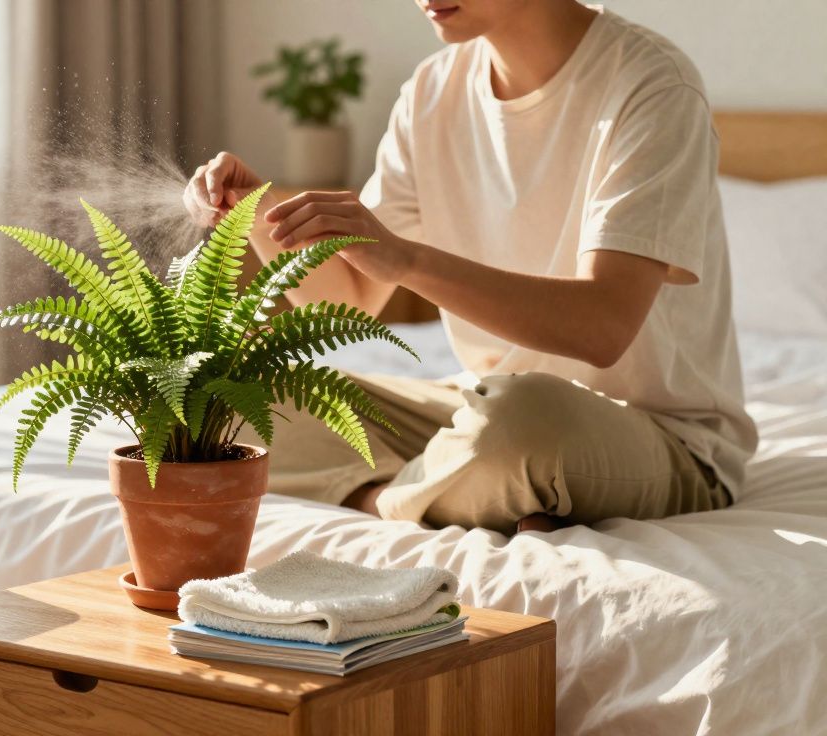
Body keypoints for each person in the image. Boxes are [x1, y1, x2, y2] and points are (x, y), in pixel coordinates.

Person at [182, 0, 757, 534]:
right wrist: (259, 216)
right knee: (212, 389)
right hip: (477, 406)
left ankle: (405, 497)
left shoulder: (654, 86)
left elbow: (603, 328)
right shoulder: (432, 90)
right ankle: (453, 493)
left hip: (650, 437)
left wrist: (407, 258)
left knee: (518, 422)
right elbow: (350, 297)